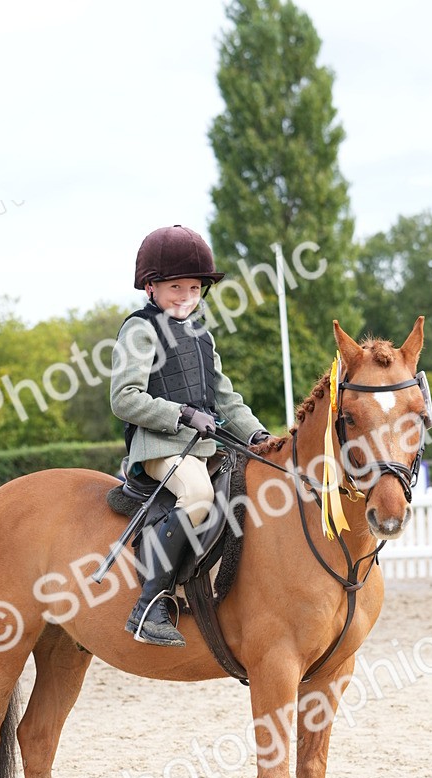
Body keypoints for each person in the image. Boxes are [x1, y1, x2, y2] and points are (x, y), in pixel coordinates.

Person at [111, 224, 271, 648]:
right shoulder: (140, 330)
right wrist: (181, 414)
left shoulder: (201, 334)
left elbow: (225, 397)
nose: (186, 297)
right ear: (151, 287)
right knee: (198, 494)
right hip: (159, 448)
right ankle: (149, 605)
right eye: (175, 288)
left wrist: (258, 435)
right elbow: (124, 398)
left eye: (195, 289)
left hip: (201, 448)